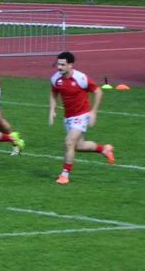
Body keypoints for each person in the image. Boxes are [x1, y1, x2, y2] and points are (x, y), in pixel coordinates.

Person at [47, 51, 114, 184]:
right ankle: (104, 149)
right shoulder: (56, 79)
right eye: (58, 64)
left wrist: (93, 112)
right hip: (68, 117)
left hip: (81, 115)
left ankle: (64, 175)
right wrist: (52, 111)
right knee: (78, 145)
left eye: (62, 65)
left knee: (69, 142)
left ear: (70, 65)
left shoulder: (81, 78)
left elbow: (98, 91)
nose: (59, 67)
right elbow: (53, 94)